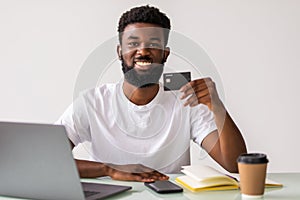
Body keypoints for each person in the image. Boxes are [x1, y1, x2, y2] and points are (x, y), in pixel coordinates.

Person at [57, 5, 247, 182]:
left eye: (153, 43)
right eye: (133, 43)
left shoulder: (185, 100)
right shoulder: (93, 102)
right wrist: (110, 169)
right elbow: (50, 160)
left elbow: (235, 165)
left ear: (165, 53)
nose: (143, 51)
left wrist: (218, 107)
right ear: (119, 52)